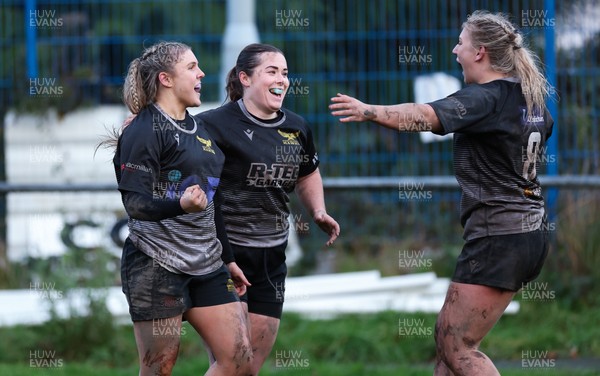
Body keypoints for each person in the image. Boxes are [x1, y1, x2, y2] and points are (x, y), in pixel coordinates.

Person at [330, 10, 553, 376]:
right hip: (527, 233)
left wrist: (369, 111)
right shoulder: (532, 103)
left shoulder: (486, 98)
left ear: (480, 52)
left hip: (499, 236)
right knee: (448, 348)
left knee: (457, 345)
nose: (455, 50)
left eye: (461, 43)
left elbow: (423, 116)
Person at [195, 43, 340, 374]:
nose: (282, 80)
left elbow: (308, 172)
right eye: (271, 72)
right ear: (245, 78)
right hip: (224, 256)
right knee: (231, 362)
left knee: (248, 368)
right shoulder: (213, 125)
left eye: (285, 73)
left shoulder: (297, 127)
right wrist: (143, 126)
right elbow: (177, 149)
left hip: (272, 258)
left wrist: (318, 210)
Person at [112, 41, 253, 376]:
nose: (201, 73)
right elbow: (135, 204)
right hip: (155, 265)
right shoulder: (143, 130)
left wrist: (228, 257)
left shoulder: (200, 128)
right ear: (166, 79)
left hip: (206, 263)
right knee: (159, 369)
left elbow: (210, 200)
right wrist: (181, 204)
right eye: (191, 67)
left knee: (239, 362)